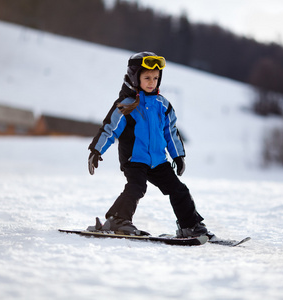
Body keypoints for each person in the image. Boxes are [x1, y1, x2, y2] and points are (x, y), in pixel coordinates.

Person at [87, 51, 209, 238]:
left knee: (179, 189)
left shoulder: (163, 105)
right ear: (135, 78)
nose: (152, 82)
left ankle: (190, 225)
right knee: (137, 187)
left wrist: (178, 156)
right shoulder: (126, 105)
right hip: (135, 159)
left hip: (159, 160)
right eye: (147, 78)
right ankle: (118, 219)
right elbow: (109, 129)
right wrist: (96, 150)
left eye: (155, 78)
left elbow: (171, 132)